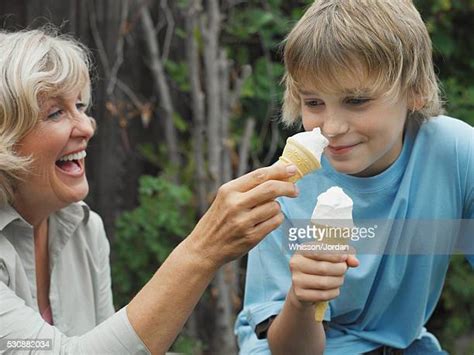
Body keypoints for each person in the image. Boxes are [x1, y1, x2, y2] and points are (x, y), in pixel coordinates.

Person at [0, 28, 300, 354]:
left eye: (81, 106)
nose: (87, 127)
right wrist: (203, 250)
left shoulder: (84, 229)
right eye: (56, 113)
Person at [235, 0, 473, 354]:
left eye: (357, 100)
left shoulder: (454, 153)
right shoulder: (285, 189)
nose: (332, 127)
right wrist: (303, 301)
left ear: (415, 91)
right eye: (314, 103)